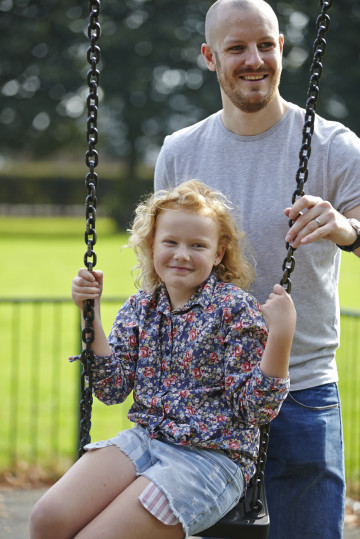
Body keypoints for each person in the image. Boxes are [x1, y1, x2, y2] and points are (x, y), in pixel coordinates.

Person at [153, 1, 360, 538]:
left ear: (283, 50)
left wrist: (345, 228)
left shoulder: (335, 146)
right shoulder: (180, 151)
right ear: (209, 57)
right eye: (237, 47)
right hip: (208, 396)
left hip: (303, 387)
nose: (254, 60)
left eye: (266, 45)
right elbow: (162, 271)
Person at [30, 180, 295, 539]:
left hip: (210, 458)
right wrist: (89, 313)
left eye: (197, 245)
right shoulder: (141, 307)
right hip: (145, 439)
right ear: (151, 245)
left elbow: (255, 411)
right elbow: (112, 389)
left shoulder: (235, 310)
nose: (182, 254)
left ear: (218, 254)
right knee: (47, 518)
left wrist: (280, 337)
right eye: (170, 242)